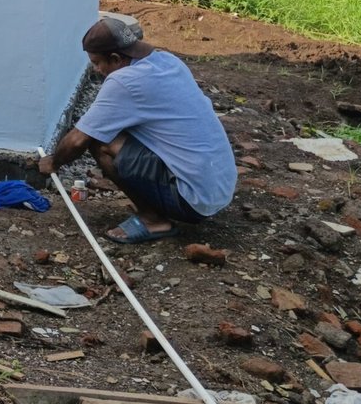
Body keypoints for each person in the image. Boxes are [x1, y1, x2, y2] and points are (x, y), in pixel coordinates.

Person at [38, 16, 235, 243]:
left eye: (97, 62)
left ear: (115, 58)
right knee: (113, 128)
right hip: (219, 186)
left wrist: (53, 162)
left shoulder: (124, 82)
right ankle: (160, 203)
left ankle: (153, 220)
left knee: (100, 141)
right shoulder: (168, 61)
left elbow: (77, 140)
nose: (95, 69)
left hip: (193, 199)